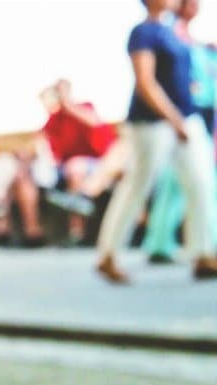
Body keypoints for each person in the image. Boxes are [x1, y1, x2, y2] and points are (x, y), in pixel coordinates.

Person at [96, 0, 217, 283]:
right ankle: (108, 254)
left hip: (188, 119)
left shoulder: (171, 32)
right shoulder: (144, 32)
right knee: (138, 185)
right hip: (154, 123)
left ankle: (204, 252)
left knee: (201, 184)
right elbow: (146, 82)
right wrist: (174, 119)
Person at [143, 0, 217, 263]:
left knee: (191, 181)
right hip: (184, 115)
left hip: (201, 113)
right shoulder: (168, 33)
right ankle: (176, 244)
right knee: (192, 181)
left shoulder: (192, 40)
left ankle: (169, 243)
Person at [36, 80, 126, 243]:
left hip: (96, 164)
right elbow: (49, 150)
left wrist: (67, 103)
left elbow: (94, 122)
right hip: (68, 169)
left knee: (77, 168)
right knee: (74, 169)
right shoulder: (53, 121)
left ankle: (79, 224)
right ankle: (77, 229)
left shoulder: (84, 107)